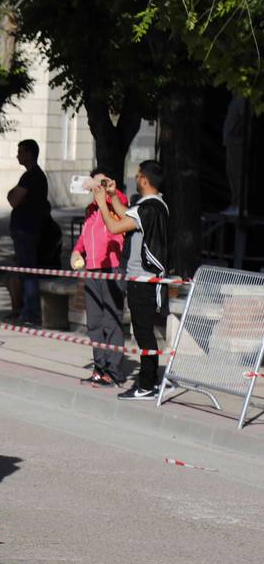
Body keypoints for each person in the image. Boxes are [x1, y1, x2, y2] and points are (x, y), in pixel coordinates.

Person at [96, 160, 170, 401]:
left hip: (143, 280)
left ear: (144, 180)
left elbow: (116, 226)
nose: (136, 178)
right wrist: (111, 196)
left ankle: (147, 384)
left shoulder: (147, 209)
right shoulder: (157, 205)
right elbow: (128, 216)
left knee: (143, 334)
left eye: (138, 175)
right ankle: (151, 380)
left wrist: (102, 205)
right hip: (147, 279)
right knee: (145, 332)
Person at [71, 173, 128, 387]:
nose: (96, 186)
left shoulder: (116, 202)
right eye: (95, 182)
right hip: (92, 270)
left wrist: (103, 186)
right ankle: (99, 367)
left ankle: (113, 371)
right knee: (94, 322)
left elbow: (121, 201)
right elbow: (84, 238)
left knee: (111, 320)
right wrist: (76, 253)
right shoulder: (90, 210)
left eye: (101, 182)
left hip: (112, 267)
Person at [5, 138, 53, 325]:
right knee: (21, 271)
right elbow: (13, 197)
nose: (18, 155)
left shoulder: (32, 176)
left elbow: (13, 199)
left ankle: (30, 312)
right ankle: (22, 309)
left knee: (28, 272)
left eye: (21, 151)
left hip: (27, 230)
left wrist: (14, 194)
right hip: (24, 230)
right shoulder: (31, 176)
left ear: (29, 154)